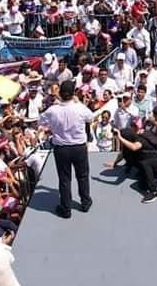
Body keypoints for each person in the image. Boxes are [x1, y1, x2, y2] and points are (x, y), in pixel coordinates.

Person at [39, 80, 94, 218]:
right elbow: (90, 117)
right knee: (82, 176)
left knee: (64, 179)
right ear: (73, 93)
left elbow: (41, 121)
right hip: (79, 148)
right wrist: (78, 102)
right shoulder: (79, 108)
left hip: (62, 149)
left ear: (60, 94)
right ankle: (85, 202)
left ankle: (66, 208)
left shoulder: (53, 110)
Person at [115, 122, 157, 203]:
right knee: (141, 185)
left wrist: (120, 137)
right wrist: (114, 163)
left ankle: (154, 192)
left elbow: (134, 147)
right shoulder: (134, 141)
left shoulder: (140, 140)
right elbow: (123, 153)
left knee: (144, 162)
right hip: (152, 169)